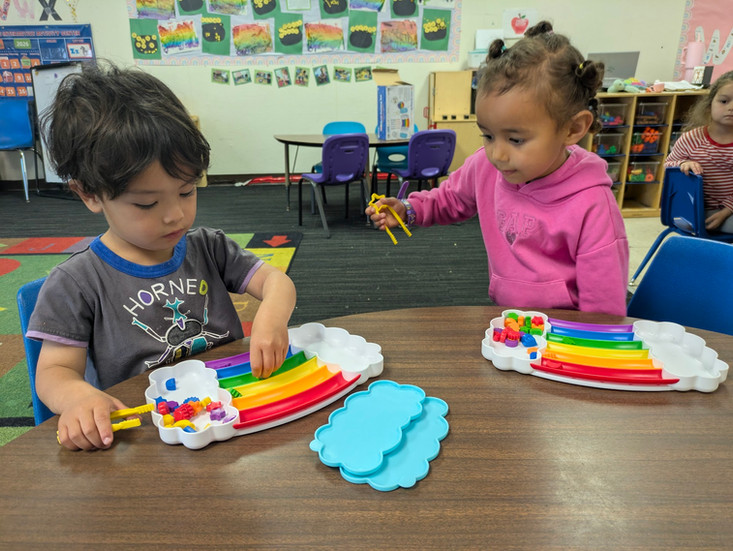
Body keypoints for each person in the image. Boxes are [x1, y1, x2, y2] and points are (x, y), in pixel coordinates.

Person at [27, 63, 297, 451]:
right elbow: (54, 371)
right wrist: (78, 398)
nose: (175, 215)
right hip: (151, 437)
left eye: (187, 191)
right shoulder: (76, 282)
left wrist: (271, 316)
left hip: (232, 413)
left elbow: (276, 281)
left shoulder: (209, 247)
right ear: (89, 193)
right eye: (147, 203)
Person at [366, 21, 629, 316]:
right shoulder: (485, 166)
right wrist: (409, 209)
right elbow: (451, 198)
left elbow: (604, 312)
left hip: (564, 332)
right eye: (488, 135)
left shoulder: (593, 205)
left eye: (516, 139)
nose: (497, 154)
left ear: (573, 129)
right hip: (509, 321)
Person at [664, 70, 733, 233]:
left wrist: (726, 211)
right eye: (724, 101)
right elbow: (668, 164)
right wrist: (683, 163)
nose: (731, 108)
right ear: (709, 106)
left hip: (729, 211)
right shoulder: (691, 139)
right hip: (692, 211)